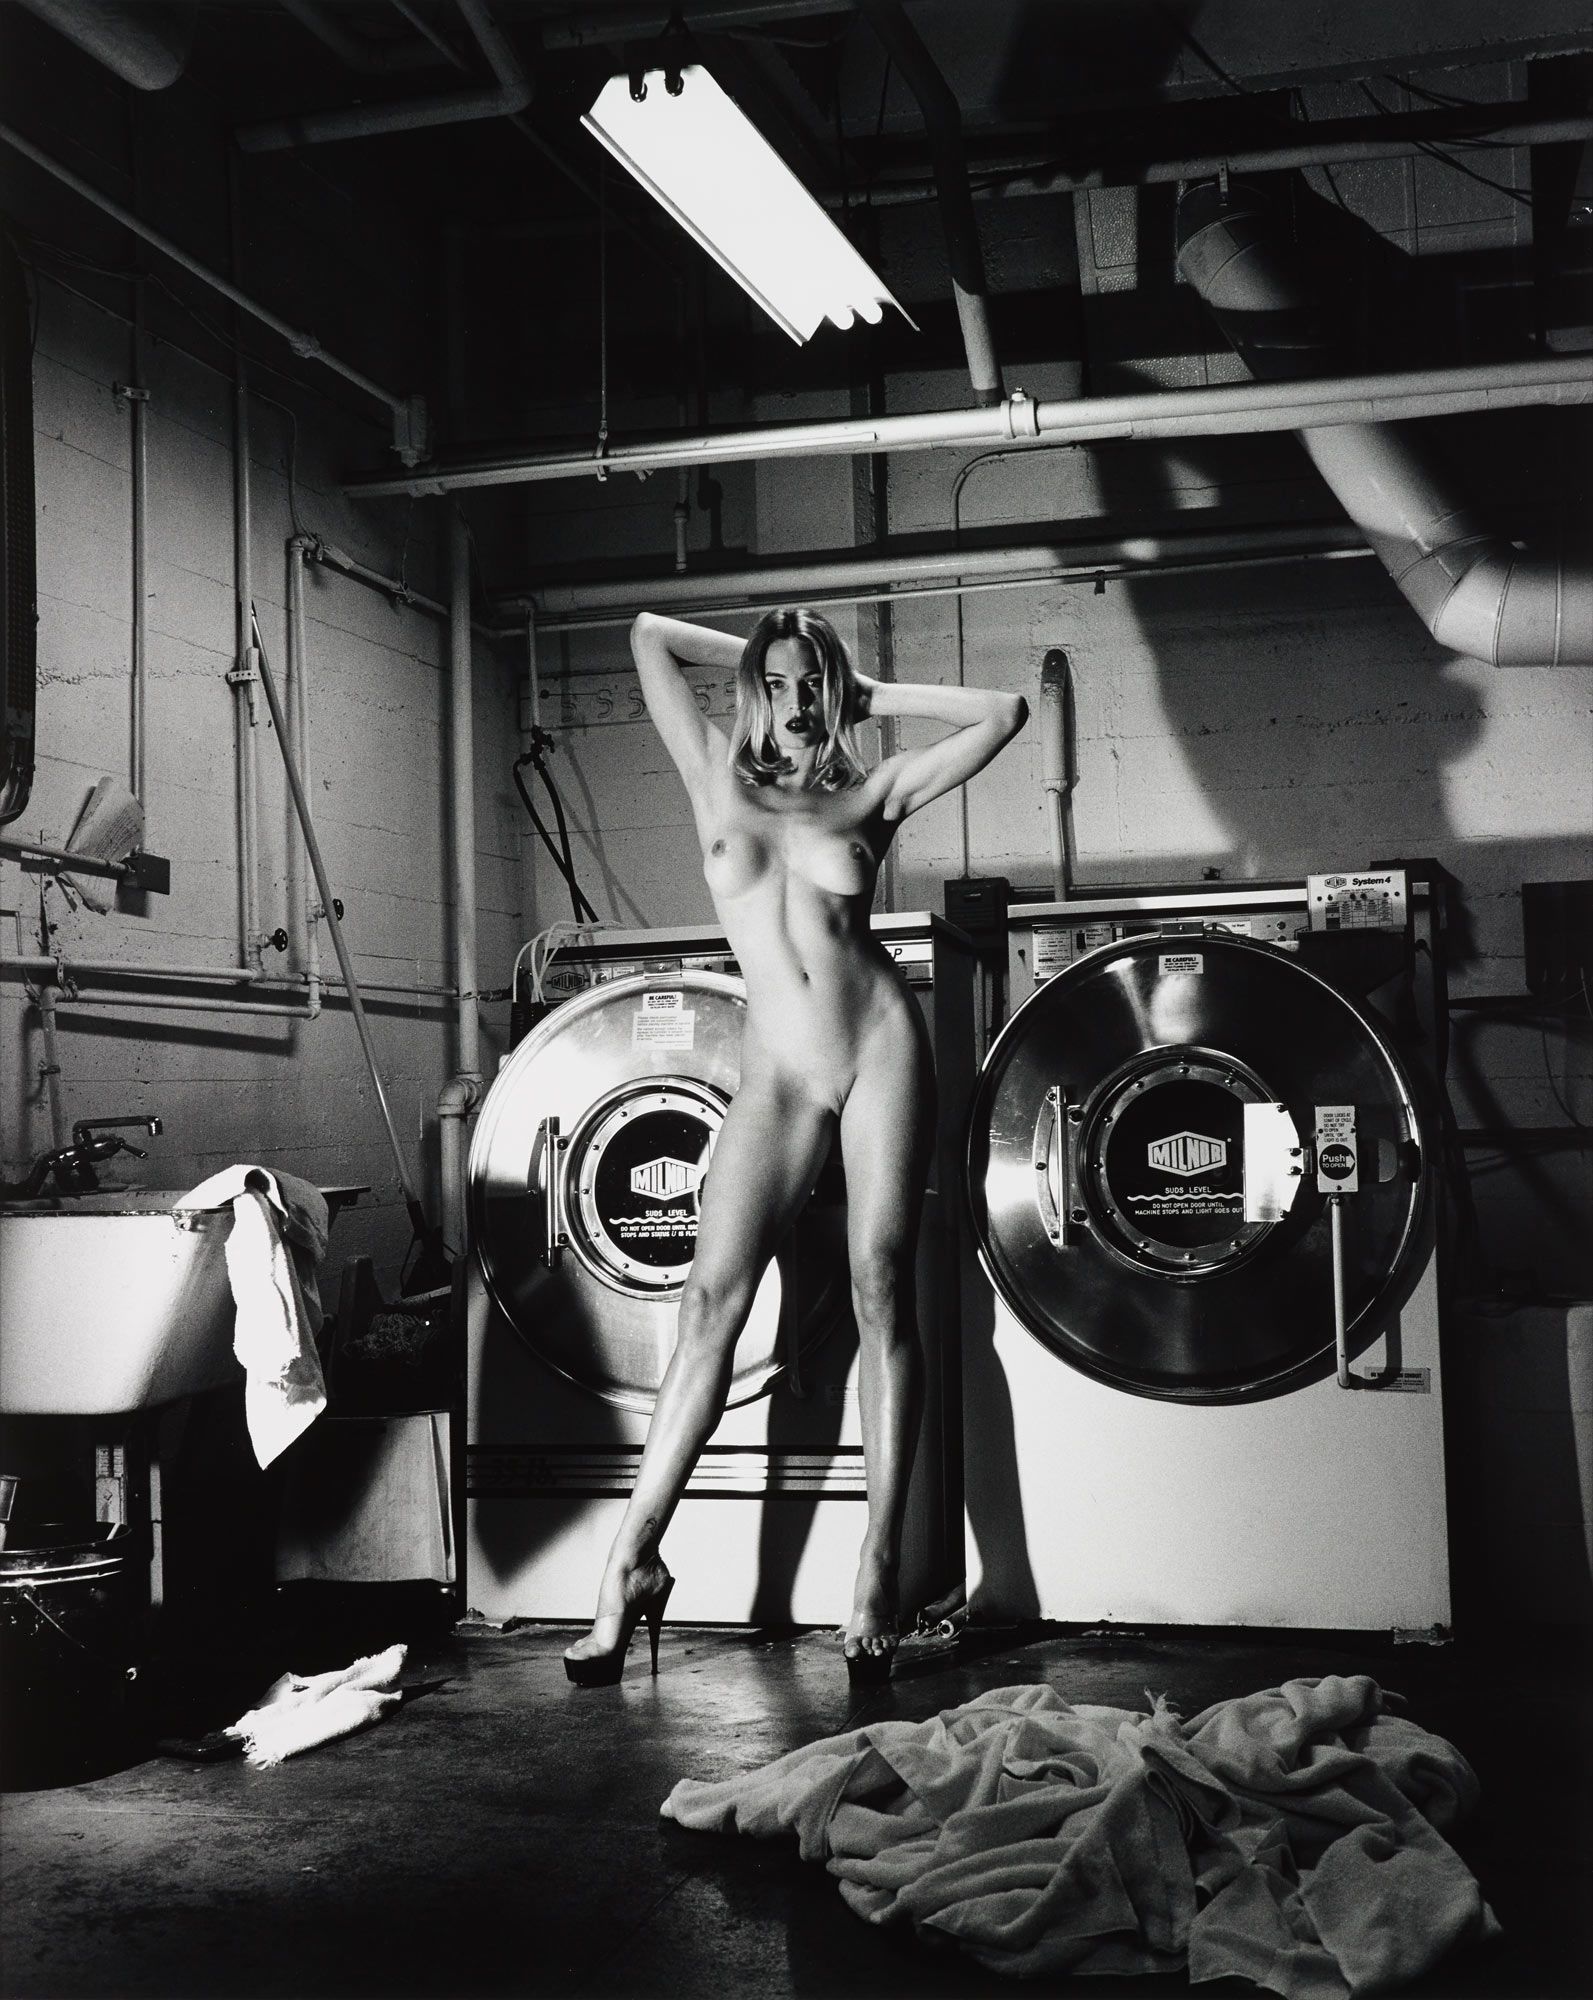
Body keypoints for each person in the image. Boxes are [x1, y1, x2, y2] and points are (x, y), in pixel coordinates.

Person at [564, 607, 1026, 1686]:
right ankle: (631, 1563)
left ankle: (874, 1575)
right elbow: (645, 635)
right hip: (775, 1068)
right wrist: (768, 653)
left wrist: (864, 688)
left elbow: (1003, 712)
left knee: (879, 1286)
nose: (795, 702)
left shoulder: (871, 793)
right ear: (752, 692)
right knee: (707, 1304)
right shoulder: (712, 775)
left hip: (878, 1047)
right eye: (775, 684)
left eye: (810, 683)